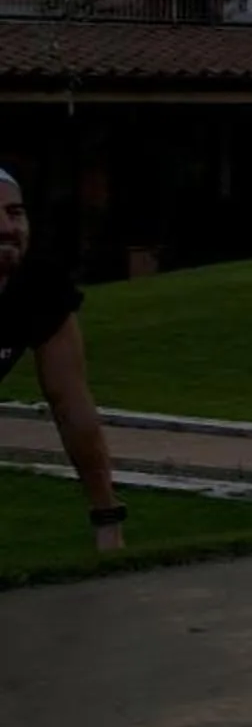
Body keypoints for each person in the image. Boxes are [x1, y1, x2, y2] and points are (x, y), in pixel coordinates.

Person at [0, 167, 126, 552]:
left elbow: (70, 401)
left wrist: (106, 517)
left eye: (15, 213)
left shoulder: (39, 285)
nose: (6, 228)